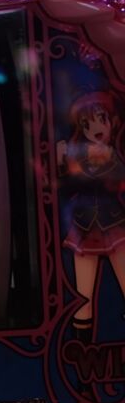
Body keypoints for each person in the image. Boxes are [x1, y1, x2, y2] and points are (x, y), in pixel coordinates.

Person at [57, 91, 125, 338]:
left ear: (112, 122)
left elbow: (116, 181)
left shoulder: (113, 154)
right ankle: (81, 342)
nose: (96, 128)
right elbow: (65, 187)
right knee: (82, 294)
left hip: (114, 223)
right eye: (87, 123)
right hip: (83, 224)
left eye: (101, 119)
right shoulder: (77, 156)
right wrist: (60, 162)